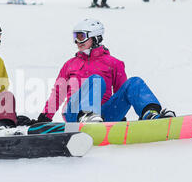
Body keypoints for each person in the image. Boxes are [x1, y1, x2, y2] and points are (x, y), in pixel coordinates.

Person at [33, 19, 175, 124]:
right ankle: (86, 115)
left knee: (134, 82)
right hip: (74, 114)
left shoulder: (114, 63)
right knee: (96, 80)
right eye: (75, 37)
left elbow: (122, 93)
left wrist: (120, 116)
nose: (77, 41)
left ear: (95, 37)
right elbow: (58, 93)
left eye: (81, 36)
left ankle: (150, 114)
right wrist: (45, 117)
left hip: (103, 116)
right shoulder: (70, 65)